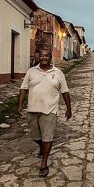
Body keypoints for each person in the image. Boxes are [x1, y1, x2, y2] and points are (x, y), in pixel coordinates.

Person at [18, 49, 72, 177]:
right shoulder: (31, 71)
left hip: (50, 111)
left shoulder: (58, 73)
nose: (43, 57)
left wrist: (69, 108)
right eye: (41, 55)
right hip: (32, 109)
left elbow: (65, 92)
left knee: (47, 137)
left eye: (46, 55)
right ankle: (42, 148)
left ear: (50, 57)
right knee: (35, 136)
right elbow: (24, 88)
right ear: (38, 57)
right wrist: (20, 104)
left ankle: (44, 162)